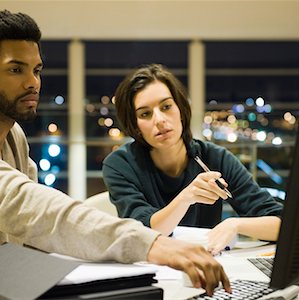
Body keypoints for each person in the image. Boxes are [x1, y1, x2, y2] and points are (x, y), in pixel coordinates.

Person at [0, 11, 230, 299]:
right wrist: (153, 244)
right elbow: (28, 207)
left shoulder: (12, 135)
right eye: (16, 69)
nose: (32, 82)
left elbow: (33, 233)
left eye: (36, 70)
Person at [103, 63, 283, 256]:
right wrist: (185, 198)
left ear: (180, 109)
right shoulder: (119, 165)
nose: (160, 120)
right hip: (152, 272)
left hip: (208, 269)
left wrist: (235, 224)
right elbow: (142, 234)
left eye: (166, 106)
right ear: (135, 125)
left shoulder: (215, 158)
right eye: (145, 114)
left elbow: (282, 223)